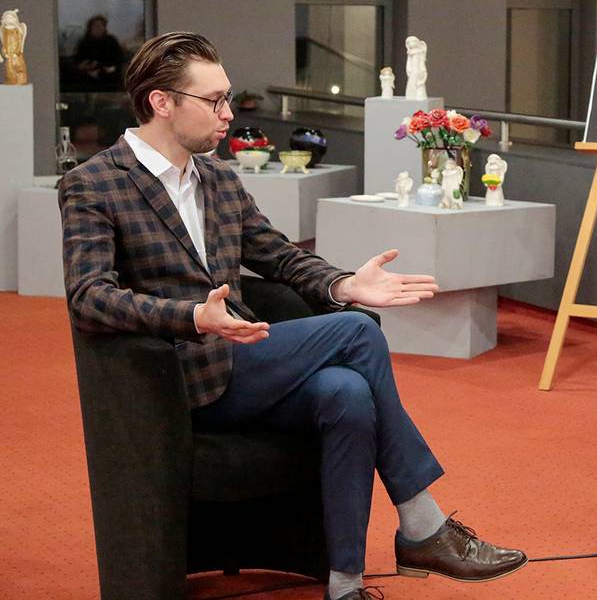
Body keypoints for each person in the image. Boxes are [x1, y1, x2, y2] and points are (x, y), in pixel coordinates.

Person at [59, 31, 527, 600]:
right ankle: (422, 523)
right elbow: (88, 296)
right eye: (214, 100)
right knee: (356, 331)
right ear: (162, 102)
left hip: (241, 357)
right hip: (170, 375)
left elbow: (277, 255)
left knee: (347, 393)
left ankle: (345, 585)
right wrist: (192, 317)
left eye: (227, 97)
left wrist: (342, 283)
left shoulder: (218, 179)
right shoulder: (95, 183)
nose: (228, 113)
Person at [74, 14, 123, 90]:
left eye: (100, 26)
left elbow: (117, 61)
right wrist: (86, 67)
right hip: (87, 77)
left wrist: (103, 69)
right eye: (95, 26)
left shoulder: (111, 42)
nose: (98, 28)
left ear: (104, 28)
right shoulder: (84, 43)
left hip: (108, 77)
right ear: (90, 28)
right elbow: (78, 61)